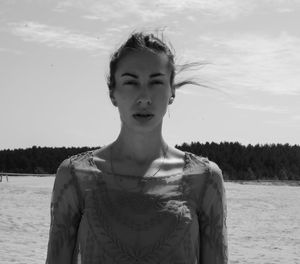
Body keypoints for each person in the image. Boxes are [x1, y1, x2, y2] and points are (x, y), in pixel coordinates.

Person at [45, 31, 228, 264]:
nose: (144, 97)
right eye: (131, 82)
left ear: (172, 91)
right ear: (113, 93)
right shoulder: (74, 177)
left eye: (156, 82)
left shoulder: (204, 179)